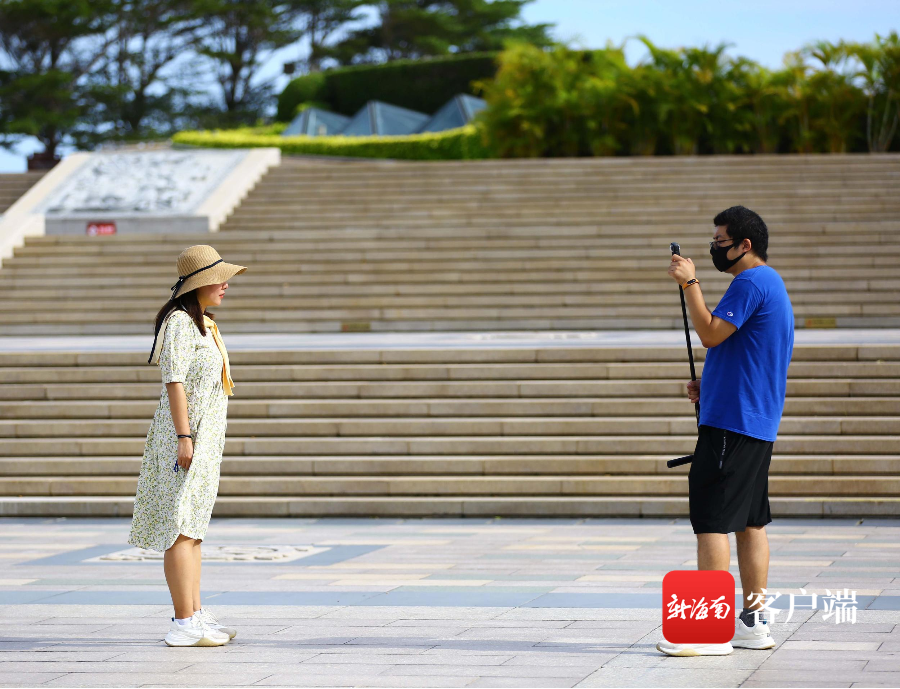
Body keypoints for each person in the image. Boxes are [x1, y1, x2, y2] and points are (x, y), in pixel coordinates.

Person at [657, 206, 794, 657]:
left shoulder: (750, 282)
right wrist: (711, 382)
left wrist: (690, 283)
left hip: (732, 425)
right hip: (754, 422)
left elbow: (711, 333)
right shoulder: (772, 283)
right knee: (751, 522)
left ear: (744, 244)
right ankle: (754, 623)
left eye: (720, 241)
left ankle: (706, 630)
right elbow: (747, 352)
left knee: (712, 521)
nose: (715, 248)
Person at [128, 245, 247, 648]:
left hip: (204, 439)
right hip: (184, 439)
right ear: (197, 284)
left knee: (194, 529)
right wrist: (184, 437)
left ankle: (194, 614)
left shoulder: (204, 324)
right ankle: (182, 622)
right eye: (218, 278)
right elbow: (174, 382)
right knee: (180, 528)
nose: (225, 284)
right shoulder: (180, 323)